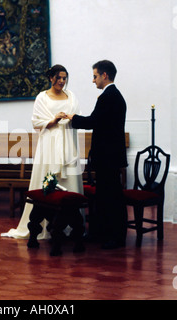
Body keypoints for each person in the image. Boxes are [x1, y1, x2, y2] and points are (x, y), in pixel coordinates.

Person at [2, 64, 84, 240]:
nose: (62, 81)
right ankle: (44, 225)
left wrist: (70, 117)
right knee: (48, 182)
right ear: (51, 78)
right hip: (49, 144)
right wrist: (54, 120)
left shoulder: (71, 97)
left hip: (68, 142)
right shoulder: (42, 98)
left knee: (68, 181)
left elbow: (77, 115)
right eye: (59, 78)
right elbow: (37, 122)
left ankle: (71, 226)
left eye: (64, 78)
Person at [67, 60, 128, 249]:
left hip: (107, 156)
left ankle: (115, 237)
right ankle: (104, 233)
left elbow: (94, 121)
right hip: (110, 155)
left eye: (95, 76)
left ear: (104, 75)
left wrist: (72, 118)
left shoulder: (108, 97)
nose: (93, 81)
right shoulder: (115, 96)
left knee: (112, 197)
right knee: (106, 196)